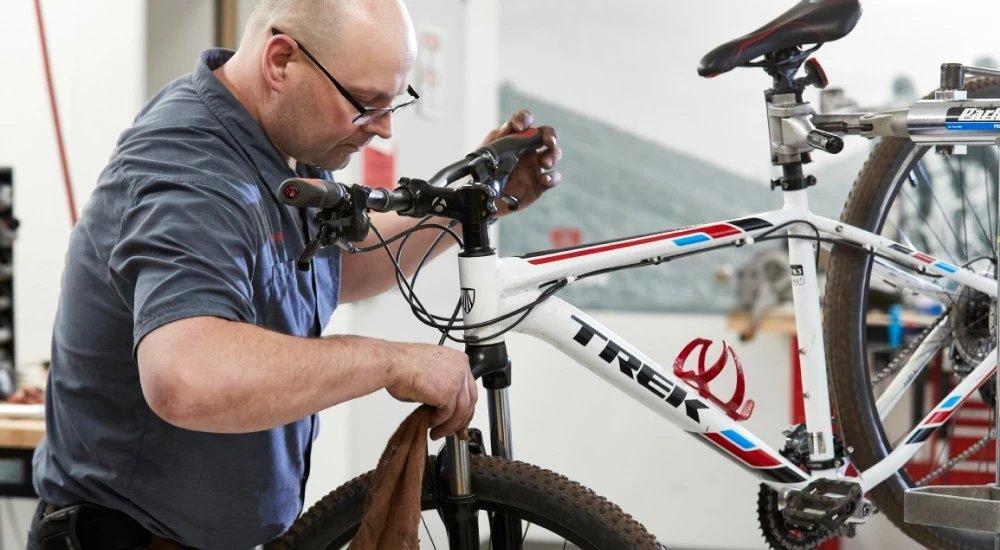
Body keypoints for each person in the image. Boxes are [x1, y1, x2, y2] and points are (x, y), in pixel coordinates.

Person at [27, 0, 561, 548]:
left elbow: (338, 269)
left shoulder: (278, 146)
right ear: (281, 61)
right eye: (365, 103)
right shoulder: (193, 169)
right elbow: (186, 376)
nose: (381, 128)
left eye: (394, 101)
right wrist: (389, 360)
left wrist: (471, 206)